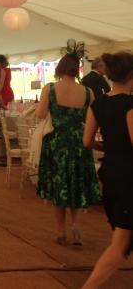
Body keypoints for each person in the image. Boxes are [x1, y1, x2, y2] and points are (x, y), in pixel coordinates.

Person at [36, 54, 101, 246]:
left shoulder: (51, 88)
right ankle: (76, 225)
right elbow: (93, 120)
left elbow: (40, 114)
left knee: (60, 186)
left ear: (59, 69)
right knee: (76, 184)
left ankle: (60, 230)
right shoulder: (88, 92)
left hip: (57, 142)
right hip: (79, 142)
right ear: (77, 70)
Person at [82, 52, 133, 289]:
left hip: (111, 172)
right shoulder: (130, 105)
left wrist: (109, 145)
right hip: (128, 178)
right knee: (120, 245)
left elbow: (87, 142)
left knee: (122, 240)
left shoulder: (98, 104)